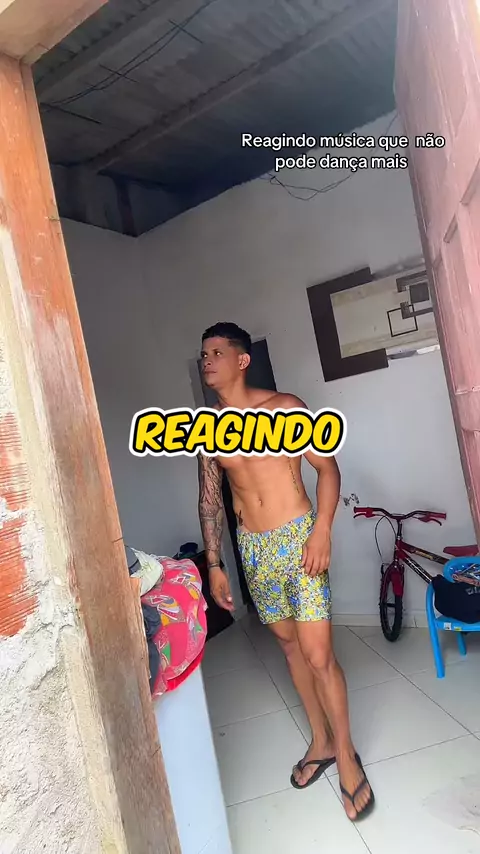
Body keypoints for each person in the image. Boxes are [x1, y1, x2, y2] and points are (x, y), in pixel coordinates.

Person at [197, 321, 374, 822]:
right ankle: (321, 741)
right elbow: (209, 503)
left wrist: (322, 530)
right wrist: (215, 564)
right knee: (290, 648)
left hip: (298, 540)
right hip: (253, 550)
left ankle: (346, 754)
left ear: (242, 360)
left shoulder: (284, 408)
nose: (207, 360)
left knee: (319, 655)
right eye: (203, 354)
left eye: (216, 352)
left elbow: (327, 468)